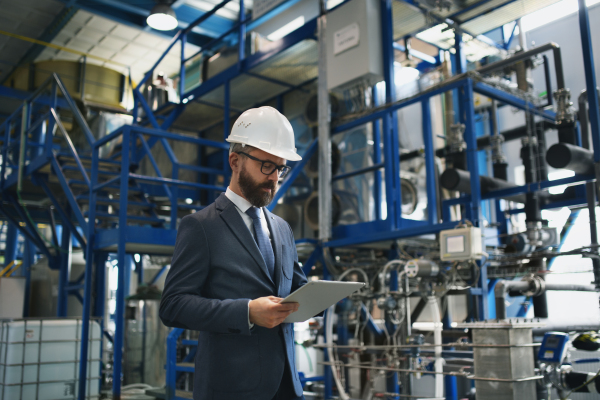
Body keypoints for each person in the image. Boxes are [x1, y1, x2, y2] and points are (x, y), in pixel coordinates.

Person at [160, 106, 308, 400]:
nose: (274, 177)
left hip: (286, 387)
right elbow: (173, 305)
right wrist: (247, 312)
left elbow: (295, 288)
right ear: (235, 160)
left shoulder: (282, 229)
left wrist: (319, 297)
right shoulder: (201, 226)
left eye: (280, 168)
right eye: (266, 165)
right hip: (231, 388)